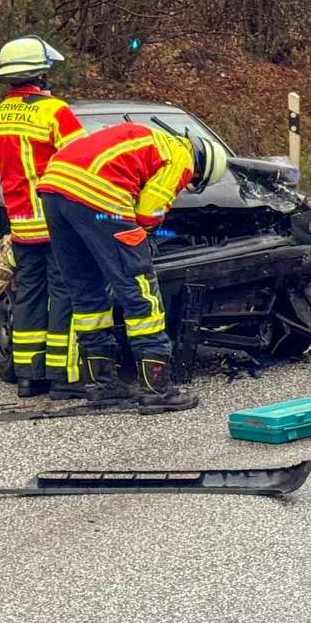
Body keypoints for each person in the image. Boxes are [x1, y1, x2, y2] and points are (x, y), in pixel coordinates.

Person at [38, 122, 228, 409]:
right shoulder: (181, 156)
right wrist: (144, 237)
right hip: (97, 195)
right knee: (139, 290)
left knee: (86, 289)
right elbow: (148, 211)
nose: (187, 183)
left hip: (54, 190)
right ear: (201, 167)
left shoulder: (151, 139)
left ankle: (101, 384)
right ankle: (157, 389)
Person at [0, 35, 87, 399]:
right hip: (58, 222)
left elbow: (3, 171)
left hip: (21, 225)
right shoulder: (54, 111)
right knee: (64, 296)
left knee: (28, 295)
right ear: (41, 74)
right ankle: (62, 378)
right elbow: (81, 163)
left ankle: (28, 377)